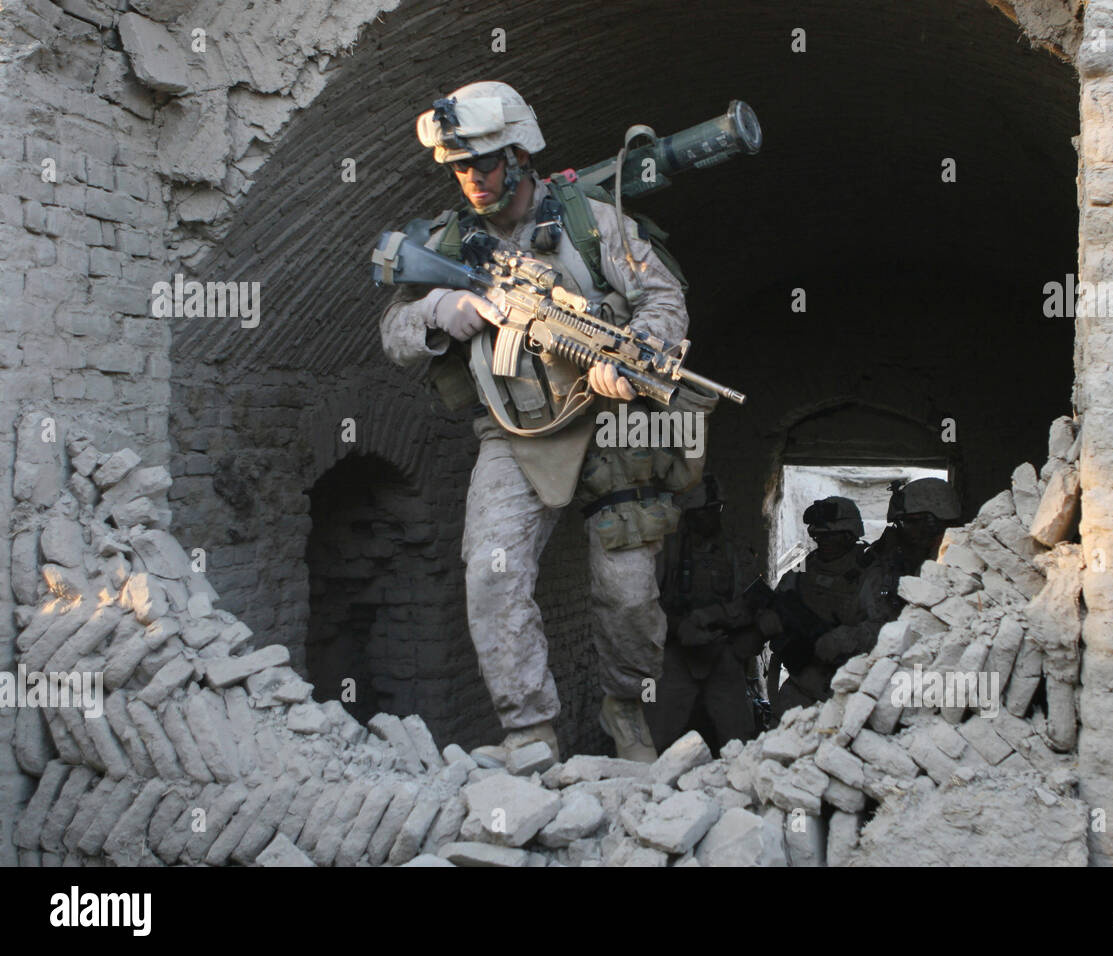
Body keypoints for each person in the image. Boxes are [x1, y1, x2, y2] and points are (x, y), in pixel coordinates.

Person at [376, 81, 692, 763]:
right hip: (514, 432)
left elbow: (664, 301)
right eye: (459, 167)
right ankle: (529, 731)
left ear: (521, 155)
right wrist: (435, 313)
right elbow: (393, 334)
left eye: (484, 163)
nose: (472, 179)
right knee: (491, 574)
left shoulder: (592, 221)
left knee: (630, 594)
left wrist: (634, 357)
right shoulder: (450, 241)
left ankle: (626, 710)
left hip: (613, 425)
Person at [766, 479, 961, 718]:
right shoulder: (805, 565)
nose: (823, 542)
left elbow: (889, 628)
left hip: (856, 684)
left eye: (831, 536)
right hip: (802, 681)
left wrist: (842, 639)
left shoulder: (878, 571)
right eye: (818, 536)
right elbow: (781, 595)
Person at [645, 475, 772, 754]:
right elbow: (643, 605)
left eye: (718, 510)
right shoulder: (666, 551)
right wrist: (679, 627)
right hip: (675, 656)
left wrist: (718, 618)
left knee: (740, 736)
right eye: (707, 511)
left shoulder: (733, 550)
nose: (714, 517)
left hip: (722, 653)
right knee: (654, 734)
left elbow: (756, 598)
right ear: (690, 514)